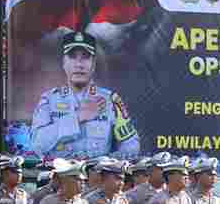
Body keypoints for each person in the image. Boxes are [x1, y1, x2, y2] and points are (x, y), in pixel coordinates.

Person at [31, 31, 140, 159]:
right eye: (72, 57)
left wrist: (107, 164)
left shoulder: (111, 100)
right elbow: (37, 145)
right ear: (64, 63)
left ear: (93, 64)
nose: (79, 64)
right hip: (62, 177)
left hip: (99, 176)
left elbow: (131, 144)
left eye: (85, 57)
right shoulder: (49, 100)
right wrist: (77, 118)